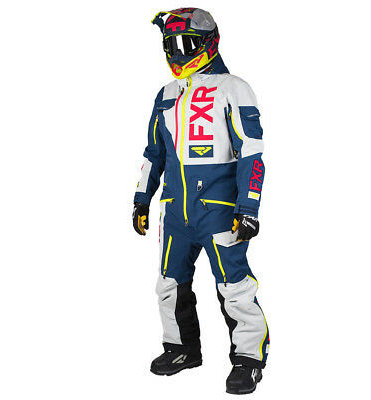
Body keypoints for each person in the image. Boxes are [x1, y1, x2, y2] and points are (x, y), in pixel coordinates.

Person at [132, 8, 270, 395]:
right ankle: (181, 349)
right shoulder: (167, 94)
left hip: (220, 211)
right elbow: (154, 152)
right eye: (171, 45)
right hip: (176, 211)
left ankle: (249, 359)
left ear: (209, 41)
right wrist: (142, 198)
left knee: (234, 286)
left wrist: (249, 208)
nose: (178, 52)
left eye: (186, 43)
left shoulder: (234, 88)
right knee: (169, 283)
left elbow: (251, 152)